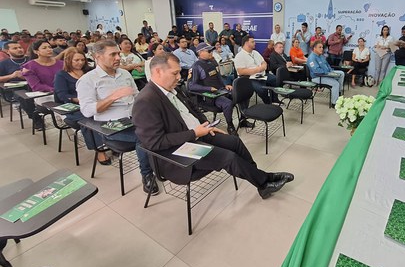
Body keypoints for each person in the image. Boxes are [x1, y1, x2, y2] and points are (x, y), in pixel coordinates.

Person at [132, 54, 294, 199]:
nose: (179, 77)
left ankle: (261, 179)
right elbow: (154, 143)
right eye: (174, 73)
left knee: (234, 142)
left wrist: (206, 125)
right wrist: (194, 132)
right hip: (177, 151)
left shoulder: (172, 89)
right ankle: (263, 182)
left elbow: (193, 109)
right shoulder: (146, 101)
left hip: (197, 134)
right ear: (158, 72)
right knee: (228, 157)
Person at [76, 40, 158, 195]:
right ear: (97, 57)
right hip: (110, 125)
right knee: (144, 137)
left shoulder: (124, 74)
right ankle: (147, 174)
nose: (118, 58)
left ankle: (160, 166)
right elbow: (87, 111)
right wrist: (113, 97)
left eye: (118, 53)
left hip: (134, 118)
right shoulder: (88, 80)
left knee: (161, 126)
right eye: (112, 54)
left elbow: (137, 97)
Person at [53, 48, 100, 160]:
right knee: (88, 121)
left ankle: (110, 142)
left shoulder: (89, 72)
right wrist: (80, 100)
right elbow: (62, 95)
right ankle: (99, 150)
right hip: (74, 106)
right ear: (68, 60)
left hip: (93, 102)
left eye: (82, 60)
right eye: (76, 60)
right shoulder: (61, 75)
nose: (80, 62)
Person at [189, 43, 238, 135]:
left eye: (211, 50)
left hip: (220, 90)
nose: (211, 52)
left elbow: (218, 77)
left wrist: (225, 85)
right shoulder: (196, 66)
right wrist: (209, 88)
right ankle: (230, 126)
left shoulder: (211, 62)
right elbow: (191, 86)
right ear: (200, 53)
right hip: (210, 96)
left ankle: (242, 119)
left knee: (238, 94)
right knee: (227, 103)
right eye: (209, 51)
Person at [234, 36, 278, 104]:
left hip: (262, 74)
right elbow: (241, 71)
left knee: (275, 79)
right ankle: (268, 101)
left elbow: (264, 62)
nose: (255, 43)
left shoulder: (255, 53)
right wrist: (258, 69)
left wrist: (263, 67)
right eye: (252, 42)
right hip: (249, 78)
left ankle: (274, 98)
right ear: (246, 43)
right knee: (262, 89)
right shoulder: (239, 56)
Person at [307, 40, 345, 107]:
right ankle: (334, 103)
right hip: (318, 77)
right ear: (314, 48)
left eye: (322, 47)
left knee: (341, 73)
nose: (322, 49)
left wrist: (331, 71)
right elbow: (316, 71)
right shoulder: (311, 58)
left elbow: (327, 65)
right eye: (320, 47)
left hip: (326, 73)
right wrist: (328, 73)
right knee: (335, 84)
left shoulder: (321, 56)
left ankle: (338, 93)